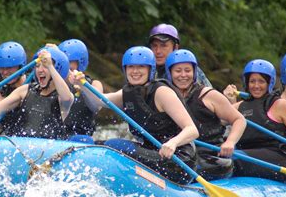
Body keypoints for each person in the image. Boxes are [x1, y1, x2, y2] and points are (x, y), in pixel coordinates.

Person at [73, 46, 199, 184]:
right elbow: (99, 101)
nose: (135, 71)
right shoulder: (129, 92)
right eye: (131, 67)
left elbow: (192, 130)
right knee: (85, 142)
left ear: (150, 70)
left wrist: (173, 143)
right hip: (151, 152)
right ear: (125, 69)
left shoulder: (162, 92)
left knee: (115, 145)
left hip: (178, 160)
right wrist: (82, 85)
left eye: (141, 67)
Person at [223, 59, 286, 183]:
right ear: (246, 83)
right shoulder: (240, 106)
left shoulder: (280, 105)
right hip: (247, 154)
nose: (256, 86)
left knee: (230, 159)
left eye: (261, 81)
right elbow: (217, 120)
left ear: (269, 83)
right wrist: (227, 100)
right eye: (252, 81)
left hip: (279, 159)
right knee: (217, 154)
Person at [165, 49, 246, 180]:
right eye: (178, 71)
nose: (183, 75)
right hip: (182, 154)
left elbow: (239, 119)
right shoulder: (165, 95)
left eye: (187, 70)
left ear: (194, 72)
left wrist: (230, 142)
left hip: (212, 157)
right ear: (170, 73)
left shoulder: (208, 95)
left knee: (181, 166)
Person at [0, 46, 73, 140]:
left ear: (57, 70)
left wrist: (50, 66)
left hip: (49, 149)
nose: (40, 70)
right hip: (22, 145)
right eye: (37, 66)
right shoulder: (25, 90)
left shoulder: (62, 97)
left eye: (44, 66)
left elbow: (67, 98)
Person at [58, 39, 103, 138]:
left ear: (80, 63)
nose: (65, 65)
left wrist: (83, 89)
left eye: (69, 62)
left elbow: (96, 106)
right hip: (57, 137)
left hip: (80, 138)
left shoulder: (94, 84)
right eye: (63, 61)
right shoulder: (54, 81)